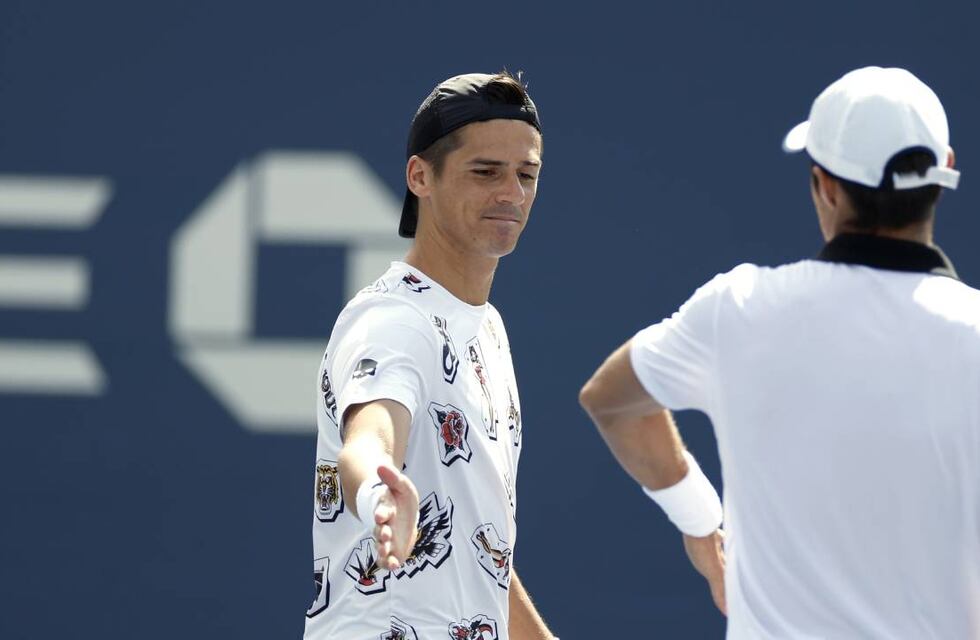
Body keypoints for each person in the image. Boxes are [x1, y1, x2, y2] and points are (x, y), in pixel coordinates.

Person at [579, 66, 980, 638]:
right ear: (944, 174)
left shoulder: (738, 309)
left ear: (827, 186)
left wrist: (700, 524)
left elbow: (611, 401)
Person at [304, 71, 557, 640]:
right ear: (420, 175)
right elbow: (368, 441)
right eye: (485, 172)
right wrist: (378, 492)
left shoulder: (486, 326)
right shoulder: (393, 321)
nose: (511, 194)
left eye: (527, 175)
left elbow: (473, 536)